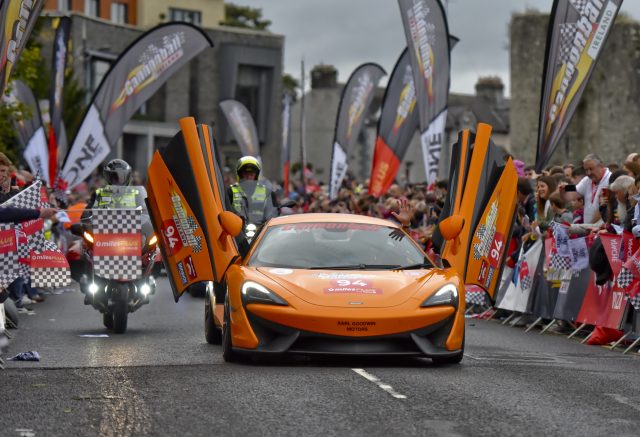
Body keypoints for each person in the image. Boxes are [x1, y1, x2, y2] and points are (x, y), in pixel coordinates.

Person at [227, 156, 277, 225]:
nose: (248, 177)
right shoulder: (231, 191)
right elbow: (226, 211)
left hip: (261, 228)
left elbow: (272, 213)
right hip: (237, 228)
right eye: (246, 174)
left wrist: (267, 223)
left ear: (256, 175)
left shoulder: (266, 192)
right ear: (240, 174)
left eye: (251, 174)